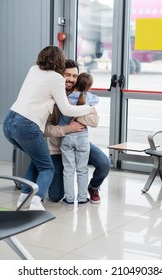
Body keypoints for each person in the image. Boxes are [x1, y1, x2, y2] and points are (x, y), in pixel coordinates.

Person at [3, 46, 94, 211]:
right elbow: (67, 110)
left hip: (9, 122)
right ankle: (36, 204)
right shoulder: (56, 78)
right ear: (60, 61)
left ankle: (23, 200)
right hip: (27, 125)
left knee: (37, 161)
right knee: (47, 168)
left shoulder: (33, 69)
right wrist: (88, 108)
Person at [45, 59, 110, 204]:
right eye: (67, 75)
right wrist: (68, 128)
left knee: (104, 164)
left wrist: (72, 111)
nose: (71, 79)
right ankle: (46, 173)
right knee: (55, 196)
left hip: (79, 139)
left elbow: (95, 121)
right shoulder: (51, 96)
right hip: (57, 148)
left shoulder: (81, 94)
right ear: (59, 75)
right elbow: (45, 129)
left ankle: (93, 187)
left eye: (74, 76)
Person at [59, 73, 99, 205]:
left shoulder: (66, 97)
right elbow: (96, 100)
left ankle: (69, 199)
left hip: (67, 137)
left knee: (68, 170)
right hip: (82, 138)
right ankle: (82, 198)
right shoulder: (89, 98)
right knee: (82, 169)